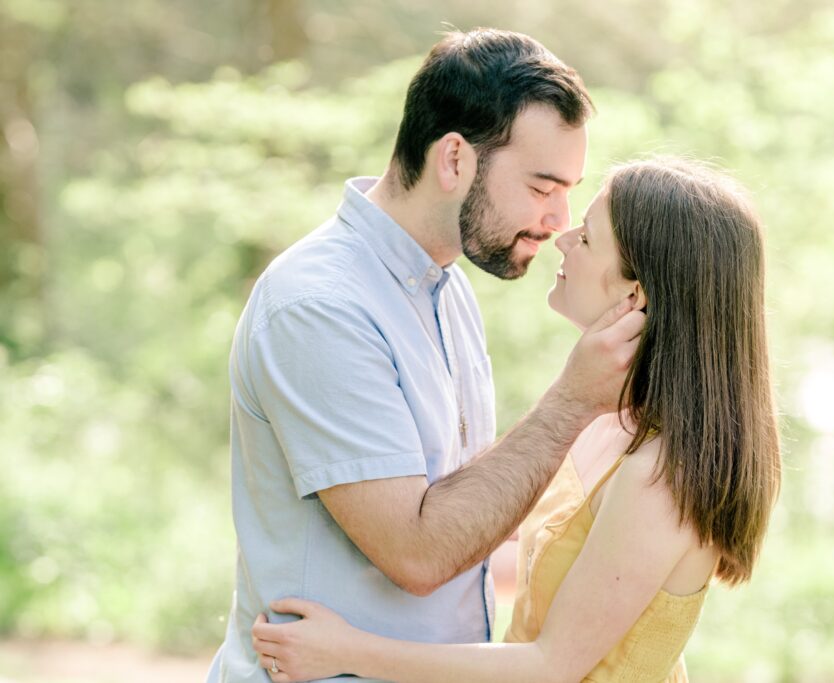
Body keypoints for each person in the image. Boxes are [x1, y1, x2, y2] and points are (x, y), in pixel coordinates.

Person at [206, 29, 648, 683]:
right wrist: (571, 401)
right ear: (453, 161)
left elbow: (468, 509)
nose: (560, 218)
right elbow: (416, 552)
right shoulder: (319, 305)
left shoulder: (449, 293)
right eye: (542, 186)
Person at [250, 157, 783, 683]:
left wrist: (349, 651)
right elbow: (547, 561)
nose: (564, 238)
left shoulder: (660, 476)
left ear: (633, 294)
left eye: (589, 237)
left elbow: (550, 667)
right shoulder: (608, 423)